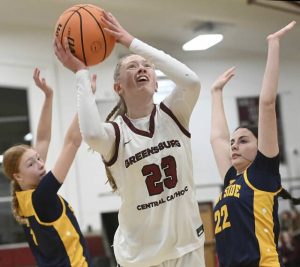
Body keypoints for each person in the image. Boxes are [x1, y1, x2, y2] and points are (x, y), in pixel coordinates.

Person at [54, 11, 206, 267]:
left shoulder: (174, 114)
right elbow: (90, 133)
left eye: (146, 66)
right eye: (132, 66)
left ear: (156, 83)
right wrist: (81, 73)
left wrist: (130, 41)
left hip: (187, 248)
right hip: (141, 257)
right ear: (118, 88)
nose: (141, 68)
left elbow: (191, 81)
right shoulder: (115, 134)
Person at [210, 21, 297, 267]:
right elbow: (217, 138)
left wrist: (273, 44)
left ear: (260, 148)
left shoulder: (262, 174)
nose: (234, 146)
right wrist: (216, 93)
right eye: (233, 142)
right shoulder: (230, 180)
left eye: (243, 140)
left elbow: (267, 103)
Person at [2, 68, 95, 267]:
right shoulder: (42, 196)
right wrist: (86, 99)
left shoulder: (24, 197)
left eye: (38, 158)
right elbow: (72, 142)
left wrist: (49, 96)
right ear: (18, 176)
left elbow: (43, 139)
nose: (40, 164)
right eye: (31, 163)